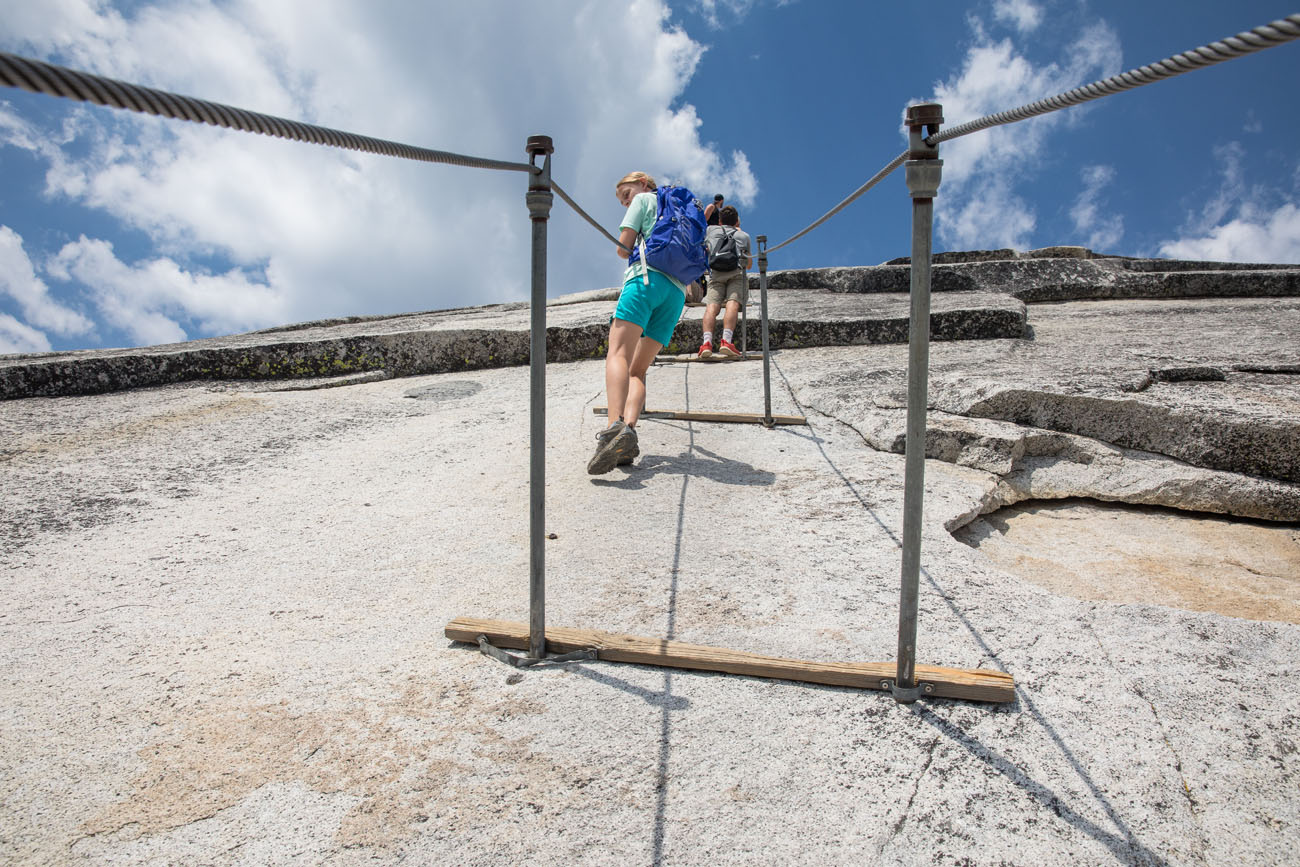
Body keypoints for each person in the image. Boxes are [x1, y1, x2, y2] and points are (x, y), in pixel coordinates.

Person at [587, 171, 691, 475]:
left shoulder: (645, 200)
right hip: (675, 295)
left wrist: (627, 241)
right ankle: (628, 432)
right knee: (638, 369)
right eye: (623, 199)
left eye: (626, 194)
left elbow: (623, 247)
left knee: (617, 353)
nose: (625, 201)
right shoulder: (678, 212)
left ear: (644, 184)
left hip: (644, 281)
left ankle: (612, 428)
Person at [698, 205, 753, 359]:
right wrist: (739, 230)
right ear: (737, 221)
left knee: (711, 307)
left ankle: (706, 344)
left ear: (720, 220)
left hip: (715, 274)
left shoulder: (711, 230)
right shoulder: (744, 236)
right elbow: (748, 264)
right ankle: (726, 341)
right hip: (735, 273)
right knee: (732, 304)